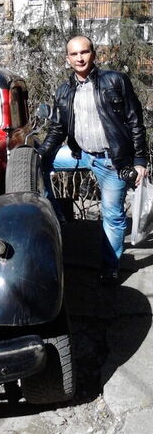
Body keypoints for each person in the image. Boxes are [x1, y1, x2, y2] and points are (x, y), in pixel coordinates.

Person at [38, 35, 148, 285]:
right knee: (36, 163)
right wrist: (41, 152)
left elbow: (135, 121)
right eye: (74, 54)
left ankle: (111, 267)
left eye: (84, 52)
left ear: (93, 54)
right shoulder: (64, 91)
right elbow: (58, 129)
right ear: (67, 59)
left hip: (112, 161)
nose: (80, 58)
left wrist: (140, 160)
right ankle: (56, 213)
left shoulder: (115, 81)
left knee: (113, 215)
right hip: (80, 154)